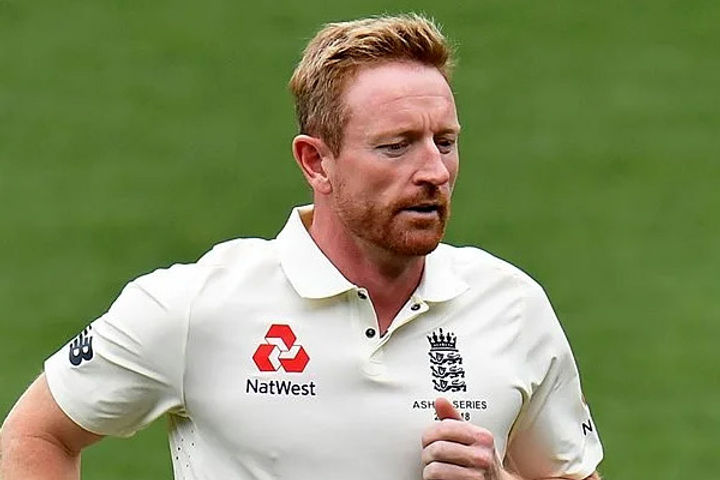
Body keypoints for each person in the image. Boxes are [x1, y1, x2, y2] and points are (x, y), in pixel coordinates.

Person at [0, 14, 603, 480]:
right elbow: (35, 435)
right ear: (316, 162)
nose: (433, 172)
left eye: (444, 142)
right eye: (396, 146)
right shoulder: (195, 305)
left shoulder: (512, 306)